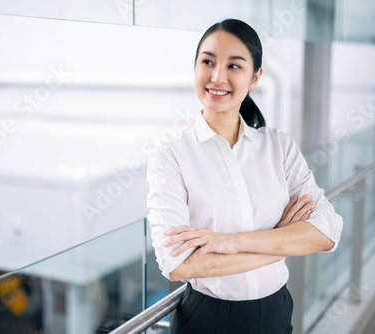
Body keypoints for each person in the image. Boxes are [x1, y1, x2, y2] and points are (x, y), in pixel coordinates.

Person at [146, 19, 343, 334]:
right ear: (195, 67)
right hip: (207, 318)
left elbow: (327, 231)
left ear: (255, 78)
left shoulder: (278, 146)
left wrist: (227, 243)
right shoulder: (171, 156)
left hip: (276, 311)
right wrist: (281, 240)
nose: (217, 76)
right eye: (207, 61)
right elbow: (178, 265)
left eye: (234, 66)